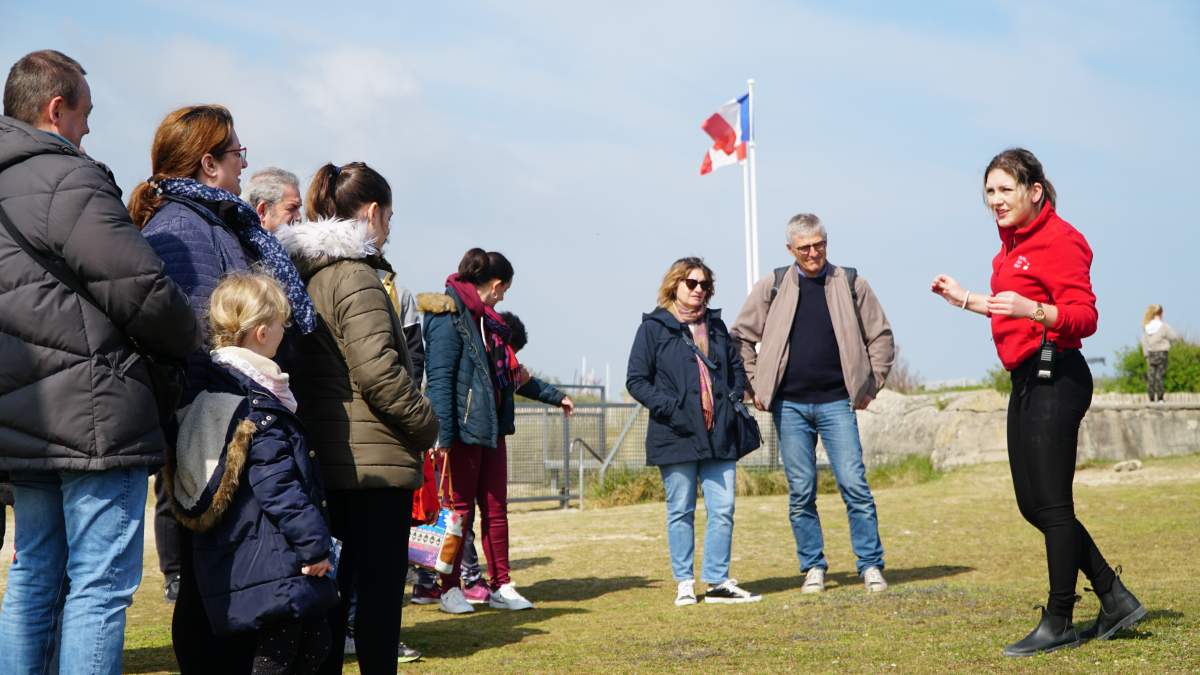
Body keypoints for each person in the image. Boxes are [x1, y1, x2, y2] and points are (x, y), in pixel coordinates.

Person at [0, 49, 200, 674]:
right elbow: (141, 288)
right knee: (99, 585)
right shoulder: (69, 177)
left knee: (32, 573)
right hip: (94, 410)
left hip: (21, 407)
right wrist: (190, 345)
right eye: (85, 113)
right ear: (56, 108)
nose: (89, 127)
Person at [931, 148, 1146, 656]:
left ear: (1034, 191)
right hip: (1024, 378)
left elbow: (1084, 317)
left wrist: (1037, 309)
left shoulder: (1061, 239)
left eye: (1005, 190)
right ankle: (1114, 597)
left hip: (1059, 376)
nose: (996, 200)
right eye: (989, 192)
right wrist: (965, 299)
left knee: (1053, 504)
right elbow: (1010, 310)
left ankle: (1060, 618)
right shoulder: (1006, 249)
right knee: (1033, 504)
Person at [129, 103, 319, 672]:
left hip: (227, 417)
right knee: (212, 578)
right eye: (237, 152)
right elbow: (191, 339)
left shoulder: (214, 222)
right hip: (217, 427)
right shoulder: (181, 229)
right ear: (209, 163)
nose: (244, 163)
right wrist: (248, 404)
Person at [279, 161, 438, 673]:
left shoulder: (311, 274)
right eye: (389, 217)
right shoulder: (358, 278)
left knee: (334, 599)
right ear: (372, 213)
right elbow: (380, 374)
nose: (389, 228)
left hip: (330, 456)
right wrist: (427, 424)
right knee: (377, 604)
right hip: (372, 465)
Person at [166, 273, 337, 675]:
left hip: (244, 550)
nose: (285, 331)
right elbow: (279, 486)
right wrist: (315, 545)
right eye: (282, 323)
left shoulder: (212, 387)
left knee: (312, 643)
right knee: (283, 652)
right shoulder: (258, 404)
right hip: (273, 554)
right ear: (262, 332)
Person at [731, 214, 894, 595]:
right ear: (790, 250)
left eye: (819, 244)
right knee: (801, 490)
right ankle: (813, 567)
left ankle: (870, 565)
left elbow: (881, 336)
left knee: (855, 485)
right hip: (789, 407)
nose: (813, 253)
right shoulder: (772, 285)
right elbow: (740, 338)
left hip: (838, 402)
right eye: (804, 247)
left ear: (826, 242)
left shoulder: (852, 282)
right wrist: (755, 385)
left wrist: (871, 384)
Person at [420, 249, 571, 614]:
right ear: (497, 284)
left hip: (492, 429)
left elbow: (514, 376)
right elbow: (440, 379)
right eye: (504, 290)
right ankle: (449, 589)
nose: (503, 298)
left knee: (496, 510)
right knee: (458, 515)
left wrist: (556, 397)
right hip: (462, 433)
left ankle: (501, 584)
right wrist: (441, 436)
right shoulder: (448, 314)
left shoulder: (491, 323)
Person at [626, 257, 760, 606]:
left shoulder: (715, 327)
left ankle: (717, 582)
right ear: (675, 284)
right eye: (691, 283)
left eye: (704, 285)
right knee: (680, 510)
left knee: (723, 508)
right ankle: (684, 582)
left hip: (719, 433)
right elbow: (636, 380)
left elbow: (734, 367)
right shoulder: (653, 328)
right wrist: (671, 408)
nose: (699, 290)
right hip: (676, 434)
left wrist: (733, 397)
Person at [242, 167, 303, 233]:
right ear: (262, 211)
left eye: (298, 209)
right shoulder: (233, 242)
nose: (299, 217)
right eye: (291, 208)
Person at [1140, 304, 1180, 403]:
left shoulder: (1147, 327)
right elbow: (1174, 337)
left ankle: (1151, 398)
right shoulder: (1164, 326)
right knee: (1159, 376)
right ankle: (1161, 398)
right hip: (1162, 353)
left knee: (1151, 377)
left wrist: (1146, 354)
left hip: (1150, 354)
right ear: (1161, 313)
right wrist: (1167, 343)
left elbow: (1144, 342)